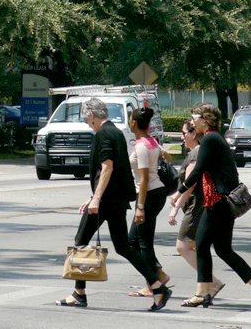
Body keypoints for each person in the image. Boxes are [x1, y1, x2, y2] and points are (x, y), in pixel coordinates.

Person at [56, 97, 171, 312]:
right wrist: (93, 196)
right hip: (116, 199)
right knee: (123, 247)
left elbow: (107, 167)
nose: (85, 121)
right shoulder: (116, 132)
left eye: (85, 117)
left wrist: (96, 198)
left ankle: (78, 294)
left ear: (91, 114)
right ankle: (157, 287)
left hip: (107, 200)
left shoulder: (103, 133)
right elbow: (113, 169)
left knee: (80, 241)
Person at [170, 103, 251, 311]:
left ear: (206, 119)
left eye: (195, 117)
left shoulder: (211, 138)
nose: (192, 121)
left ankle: (202, 293)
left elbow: (198, 169)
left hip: (218, 202)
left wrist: (179, 191)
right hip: (220, 202)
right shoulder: (214, 138)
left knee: (202, 245)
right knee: (223, 249)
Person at [168, 119, 225, 300]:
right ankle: (206, 286)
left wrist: (175, 208)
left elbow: (190, 185)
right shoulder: (197, 152)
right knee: (200, 247)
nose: (182, 137)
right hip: (198, 206)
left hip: (196, 206)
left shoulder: (195, 154)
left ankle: (211, 283)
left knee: (183, 245)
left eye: (184, 133)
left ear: (193, 134)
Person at [128, 107, 171, 298]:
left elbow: (144, 178)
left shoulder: (142, 146)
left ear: (134, 123)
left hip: (149, 194)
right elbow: (169, 157)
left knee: (143, 242)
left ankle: (151, 284)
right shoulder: (152, 142)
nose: (129, 122)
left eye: (130, 119)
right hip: (156, 192)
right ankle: (158, 274)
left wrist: (140, 207)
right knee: (133, 241)